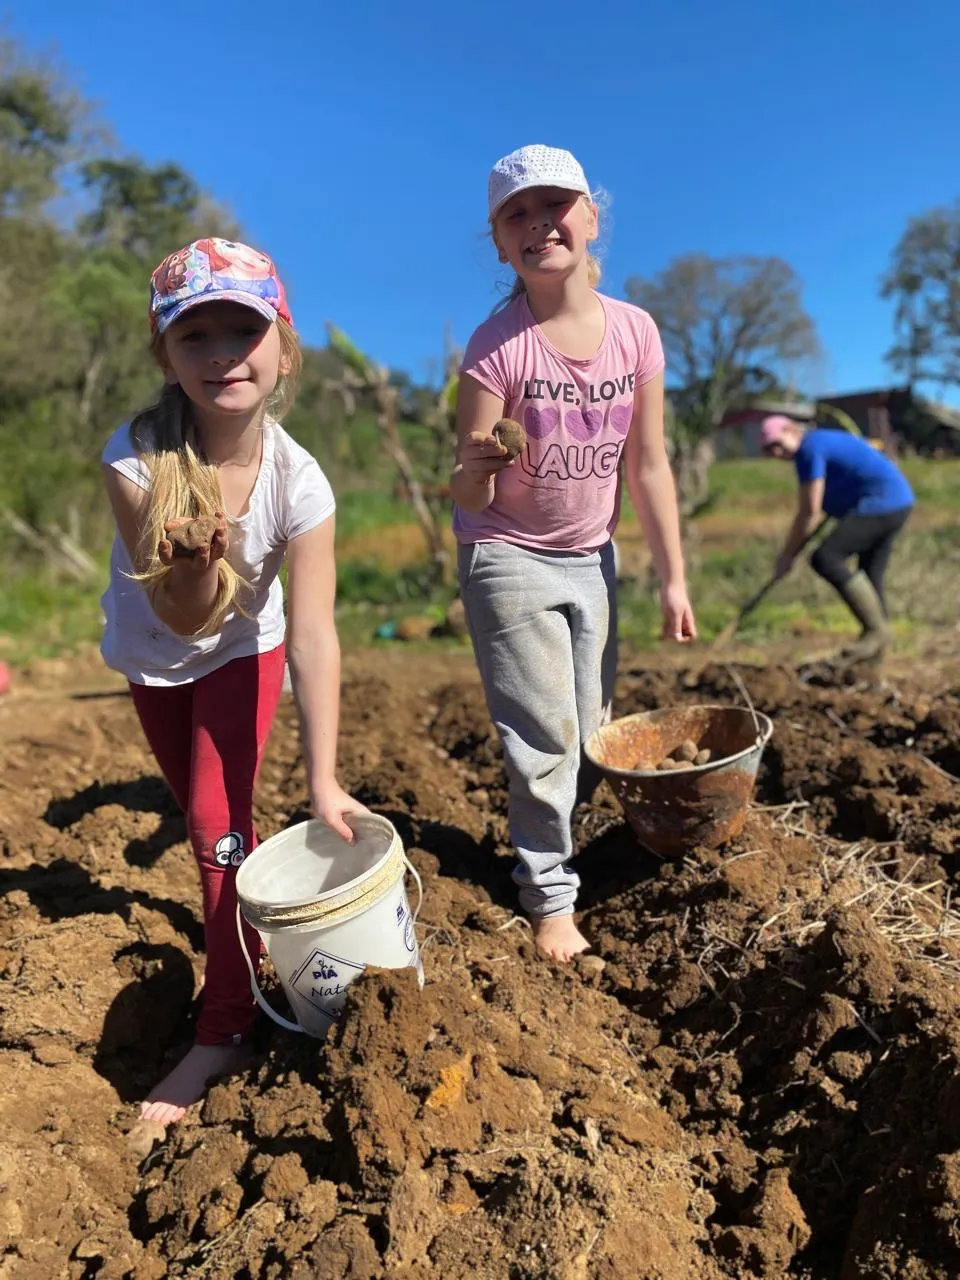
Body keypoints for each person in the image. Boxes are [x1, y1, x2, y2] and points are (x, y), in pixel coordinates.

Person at [101, 238, 365, 1125]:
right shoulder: (135, 461)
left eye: (243, 332)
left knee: (216, 829)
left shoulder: (301, 484)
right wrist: (194, 566)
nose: (221, 354)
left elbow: (316, 634)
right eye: (195, 336)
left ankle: (226, 1026)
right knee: (207, 825)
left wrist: (323, 778)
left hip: (245, 654)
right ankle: (241, 946)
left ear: (283, 349)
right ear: (165, 357)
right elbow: (181, 618)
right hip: (156, 657)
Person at [451, 145, 696, 963]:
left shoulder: (635, 332)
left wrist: (674, 578)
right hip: (506, 554)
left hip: (593, 556)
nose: (538, 224)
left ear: (592, 218)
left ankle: (563, 849)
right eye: (516, 214)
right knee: (544, 735)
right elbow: (468, 493)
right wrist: (478, 467)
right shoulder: (497, 347)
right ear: (499, 244)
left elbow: (649, 463)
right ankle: (549, 898)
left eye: (555, 206)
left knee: (591, 732)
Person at [760, 414, 914, 660]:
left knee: (826, 557)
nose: (776, 453)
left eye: (777, 444)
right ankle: (872, 662)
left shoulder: (810, 449)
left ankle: (876, 631)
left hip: (881, 502)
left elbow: (809, 512)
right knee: (870, 576)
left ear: (791, 430)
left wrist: (787, 556)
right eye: (769, 449)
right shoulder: (819, 442)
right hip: (897, 502)